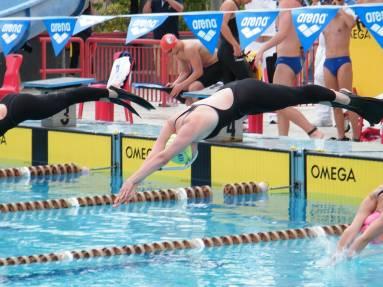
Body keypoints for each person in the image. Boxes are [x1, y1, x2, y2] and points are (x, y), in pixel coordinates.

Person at [113, 78, 383, 206]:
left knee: (299, 95)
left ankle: (352, 101)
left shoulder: (190, 128)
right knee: (298, 95)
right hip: (239, 95)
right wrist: (137, 178)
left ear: (187, 145)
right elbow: (156, 154)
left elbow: (161, 158)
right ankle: (347, 100)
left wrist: (132, 181)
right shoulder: (173, 122)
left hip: (249, 95)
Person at [254, 0, 324, 139]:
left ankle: (312, 131)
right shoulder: (295, 4)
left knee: (278, 102)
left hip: (286, 60)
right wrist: (263, 39)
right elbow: (288, 33)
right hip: (291, 58)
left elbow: (284, 33)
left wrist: (262, 49)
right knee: (282, 105)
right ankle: (283, 139)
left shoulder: (286, 3)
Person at [0, 86, 154, 136]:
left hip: (21, 108)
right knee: (67, 98)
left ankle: (109, 93)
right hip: (10, 101)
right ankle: (106, 95)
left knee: (68, 98)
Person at [323, 0, 359, 141]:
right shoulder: (325, 18)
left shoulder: (345, 14)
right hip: (328, 62)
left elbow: (352, 24)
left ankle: (356, 136)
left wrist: (340, 8)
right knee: (335, 101)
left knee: (348, 100)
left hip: (343, 61)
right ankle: (341, 135)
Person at [160, 34, 223, 104]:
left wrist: (180, 85)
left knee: (193, 88)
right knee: (184, 91)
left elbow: (198, 72)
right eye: (168, 52)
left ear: (176, 43)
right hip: (205, 67)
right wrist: (175, 84)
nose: (170, 54)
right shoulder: (176, 52)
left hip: (217, 64)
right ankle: (195, 110)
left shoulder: (189, 48)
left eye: (170, 51)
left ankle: (202, 110)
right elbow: (185, 71)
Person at [336, 185, 383, 258]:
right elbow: (364, 239)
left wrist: (337, 257)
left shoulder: (378, 192)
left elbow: (353, 229)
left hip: (370, 237)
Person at [218, 0, 252, 84]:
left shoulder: (235, 5)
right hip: (229, 50)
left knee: (229, 86)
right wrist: (235, 45)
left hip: (230, 49)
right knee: (247, 82)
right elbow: (221, 24)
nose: (251, 1)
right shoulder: (230, 3)